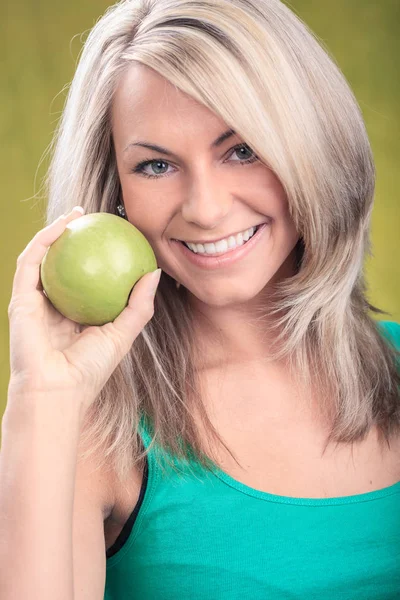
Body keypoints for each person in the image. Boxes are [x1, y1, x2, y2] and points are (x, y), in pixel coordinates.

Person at [2, 0, 400, 597]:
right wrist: (43, 398)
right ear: (117, 194)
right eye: (156, 165)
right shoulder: (93, 429)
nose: (206, 209)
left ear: (311, 149)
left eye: (241, 150)